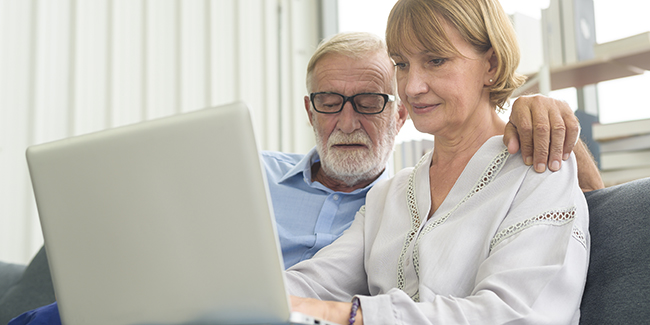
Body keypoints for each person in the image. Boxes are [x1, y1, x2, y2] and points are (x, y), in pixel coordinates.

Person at [8, 29, 601, 324]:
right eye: (328, 101)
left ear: (395, 114)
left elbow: (571, 217)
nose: (347, 121)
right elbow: (298, 282)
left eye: (370, 101)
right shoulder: (394, 193)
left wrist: (550, 120)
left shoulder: (397, 191)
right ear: (308, 109)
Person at [287, 1, 591, 324]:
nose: (412, 87)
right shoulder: (387, 196)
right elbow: (311, 283)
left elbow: (514, 315)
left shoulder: (540, 173)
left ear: (491, 64)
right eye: (401, 64)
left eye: (435, 60)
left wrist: (352, 315)